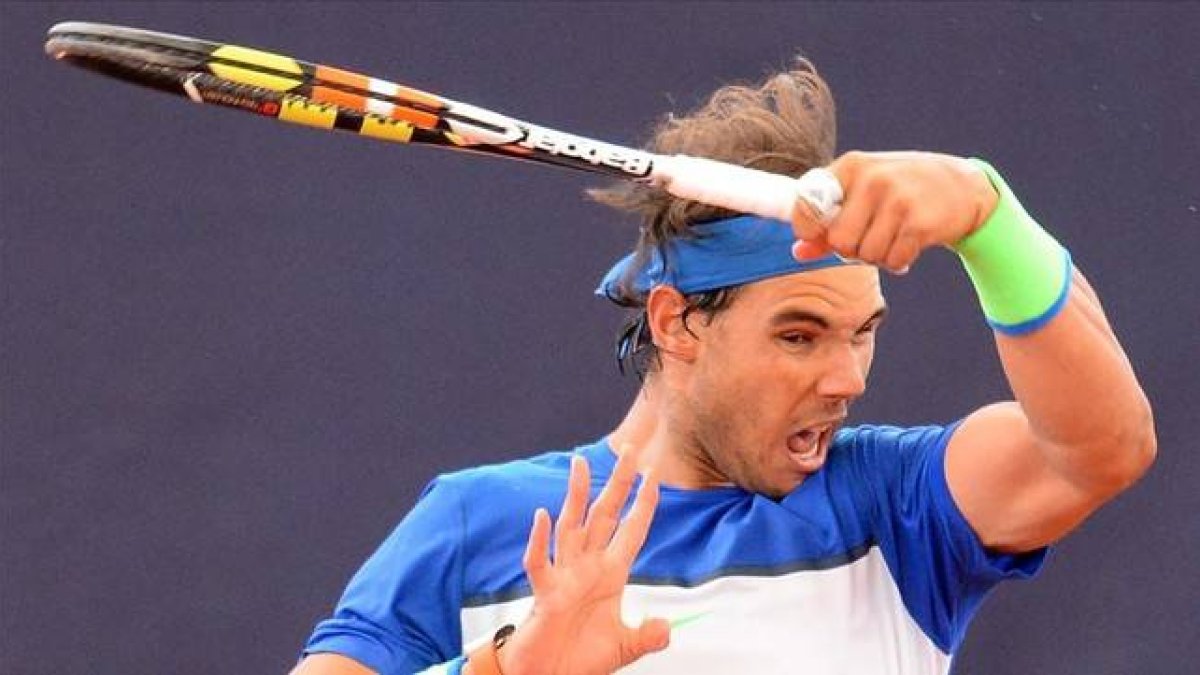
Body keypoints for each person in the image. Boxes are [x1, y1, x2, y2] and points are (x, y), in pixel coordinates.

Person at [291, 59, 1156, 675]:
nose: (848, 378)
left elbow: (1103, 447)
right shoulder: (477, 523)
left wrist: (987, 215)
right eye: (800, 335)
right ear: (678, 324)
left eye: (864, 333)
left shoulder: (894, 505)